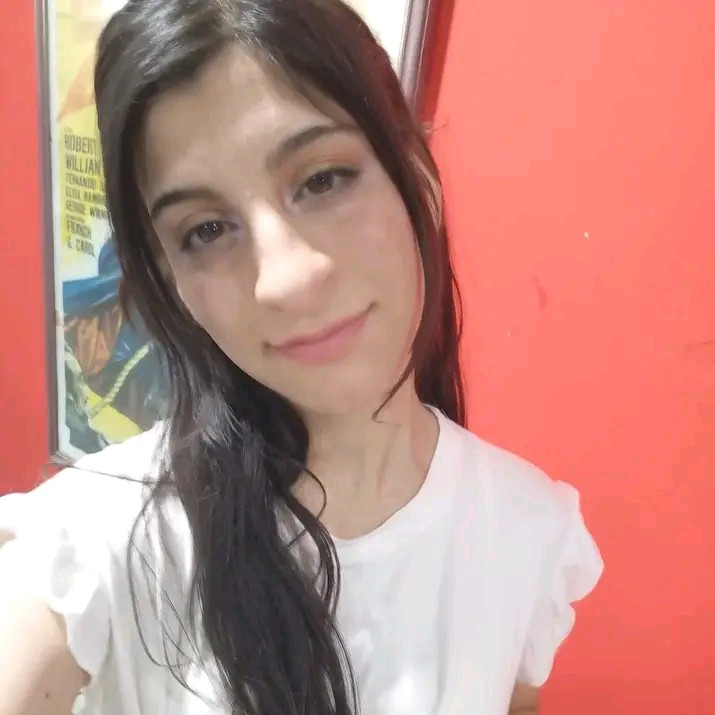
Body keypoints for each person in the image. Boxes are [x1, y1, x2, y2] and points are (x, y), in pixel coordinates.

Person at [0, 1, 604, 713]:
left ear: (417, 176)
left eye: (322, 179)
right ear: (174, 282)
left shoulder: (529, 534)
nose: (286, 279)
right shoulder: (89, 550)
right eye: (207, 230)